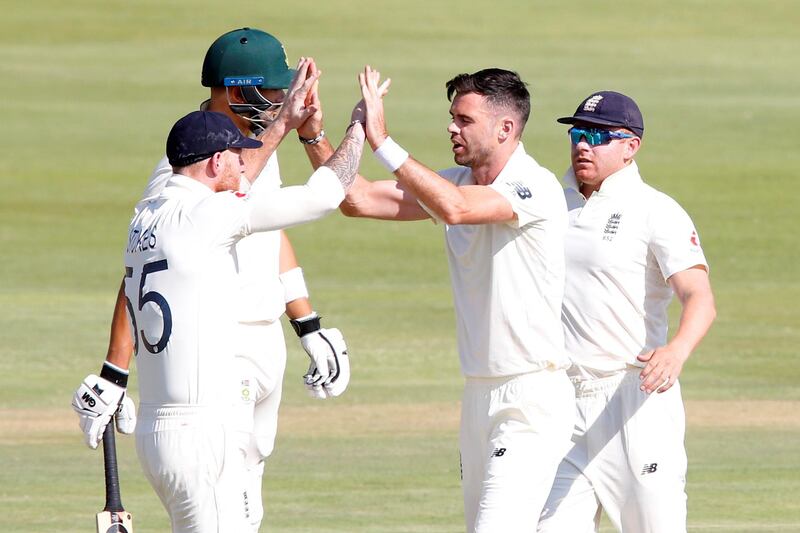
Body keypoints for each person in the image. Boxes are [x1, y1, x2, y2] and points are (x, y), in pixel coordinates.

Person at [72, 28, 349, 531]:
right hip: (220, 354)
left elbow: (267, 229)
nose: (282, 100)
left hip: (264, 339)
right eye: (272, 91)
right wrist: (115, 369)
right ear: (237, 91)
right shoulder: (188, 170)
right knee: (223, 506)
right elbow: (142, 272)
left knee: (246, 505)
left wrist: (305, 320)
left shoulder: (251, 145)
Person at [332, 66, 575, 533]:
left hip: (531, 397)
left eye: (464, 120)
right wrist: (323, 134)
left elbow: (457, 210)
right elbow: (356, 199)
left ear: (505, 128)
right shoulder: (452, 181)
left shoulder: (535, 186)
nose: (451, 127)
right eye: (452, 117)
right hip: (478, 395)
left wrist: (384, 142)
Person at [537, 91, 716, 533]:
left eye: (597, 136)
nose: (582, 144)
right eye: (577, 133)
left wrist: (676, 351)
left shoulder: (656, 210)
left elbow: (700, 298)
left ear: (631, 146)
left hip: (633, 398)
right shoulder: (550, 203)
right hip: (560, 402)